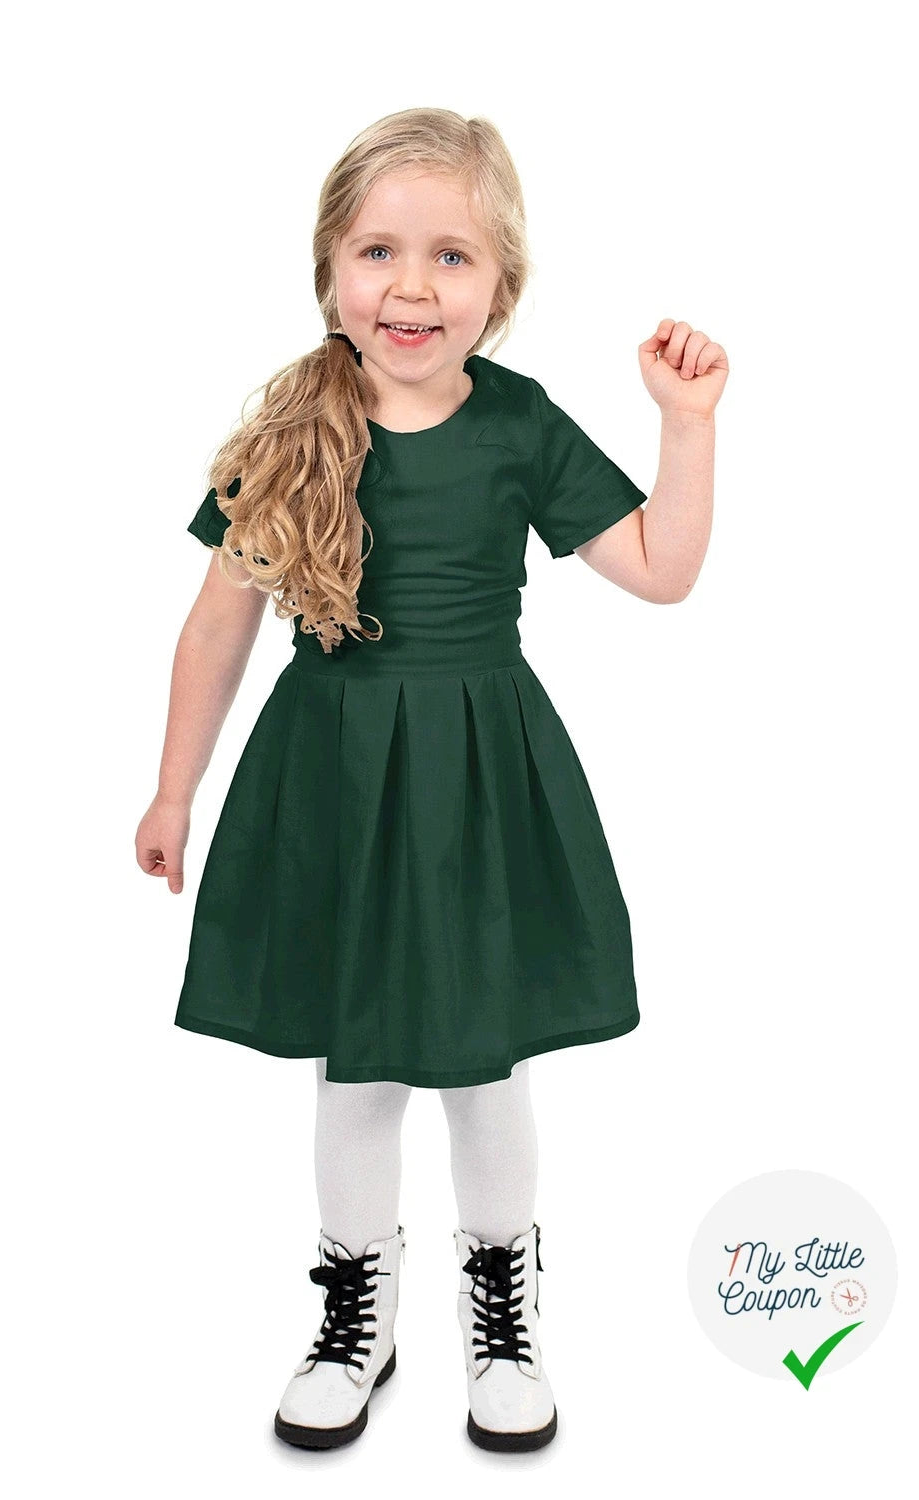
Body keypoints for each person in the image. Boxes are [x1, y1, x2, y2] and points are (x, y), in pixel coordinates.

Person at [136, 106, 726, 1454]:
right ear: (329, 269)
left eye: (452, 256)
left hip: (477, 779)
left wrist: (686, 426)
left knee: (483, 1063)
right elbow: (218, 626)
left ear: (501, 284)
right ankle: (357, 1308)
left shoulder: (518, 423)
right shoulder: (291, 430)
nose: (412, 287)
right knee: (355, 1069)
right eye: (380, 251)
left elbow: (662, 571)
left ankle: (504, 1309)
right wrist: (174, 790)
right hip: (333, 777)